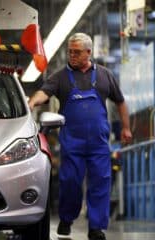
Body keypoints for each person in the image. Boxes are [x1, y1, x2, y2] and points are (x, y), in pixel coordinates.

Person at [28, 33, 132, 240]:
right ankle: (66, 218)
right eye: (70, 52)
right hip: (72, 143)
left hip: (99, 143)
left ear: (88, 52)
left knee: (100, 184)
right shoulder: (60, 77)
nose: (72, 56)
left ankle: (96, 228)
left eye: (77, 52)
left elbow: (120, 101)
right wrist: (32, 102)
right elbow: (44, 93)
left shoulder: (104, 75)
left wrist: (126, 128)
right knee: (71, 184)